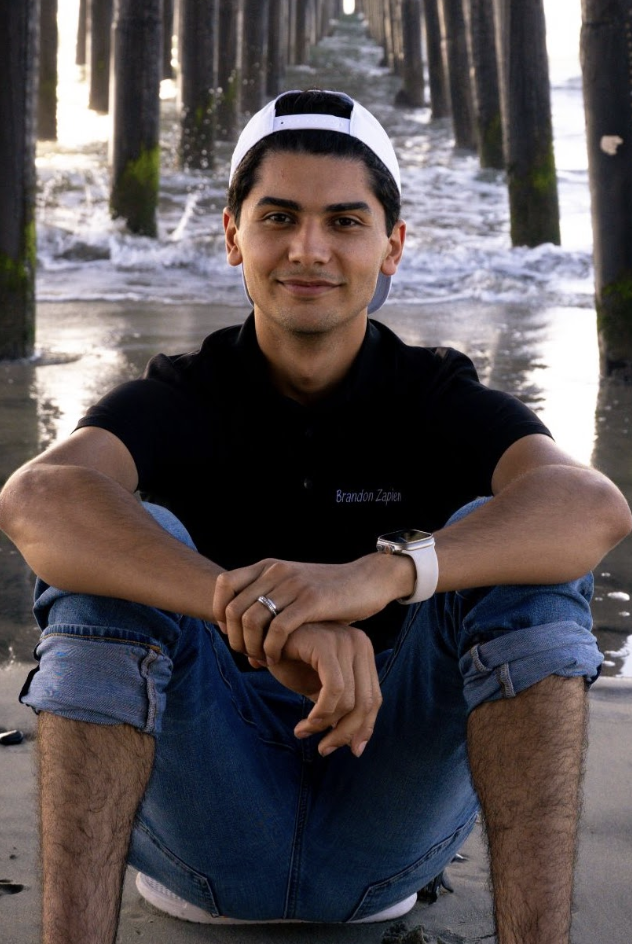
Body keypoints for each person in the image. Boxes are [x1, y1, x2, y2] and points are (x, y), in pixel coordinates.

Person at [0, 89, 630, 944]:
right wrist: (269, 616)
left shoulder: (434, 396)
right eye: (279, 217)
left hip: (385, 823)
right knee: (110, 566)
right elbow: (36, 497)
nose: (309, 248)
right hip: (200, 831)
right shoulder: (183, 395)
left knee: (526, 564)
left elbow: (591, 506)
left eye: (344, 221)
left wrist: (381, 576)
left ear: (392, 245)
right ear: (233, 236)